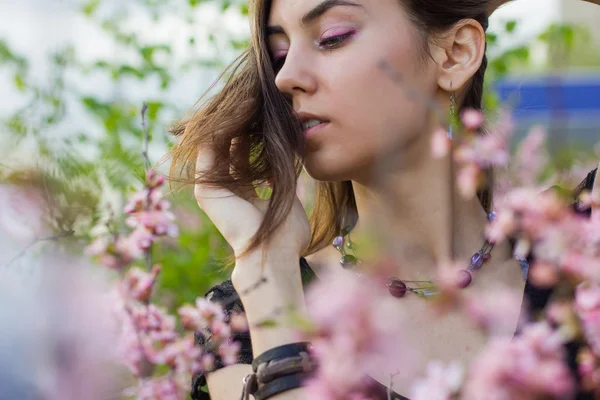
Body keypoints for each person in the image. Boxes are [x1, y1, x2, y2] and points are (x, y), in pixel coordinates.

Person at [166, 0, 600, 399]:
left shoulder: (578, 245)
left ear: (456, 53)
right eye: (278, 55)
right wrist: (267, 265)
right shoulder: (245, 321)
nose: (285, 77)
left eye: (332, 37)